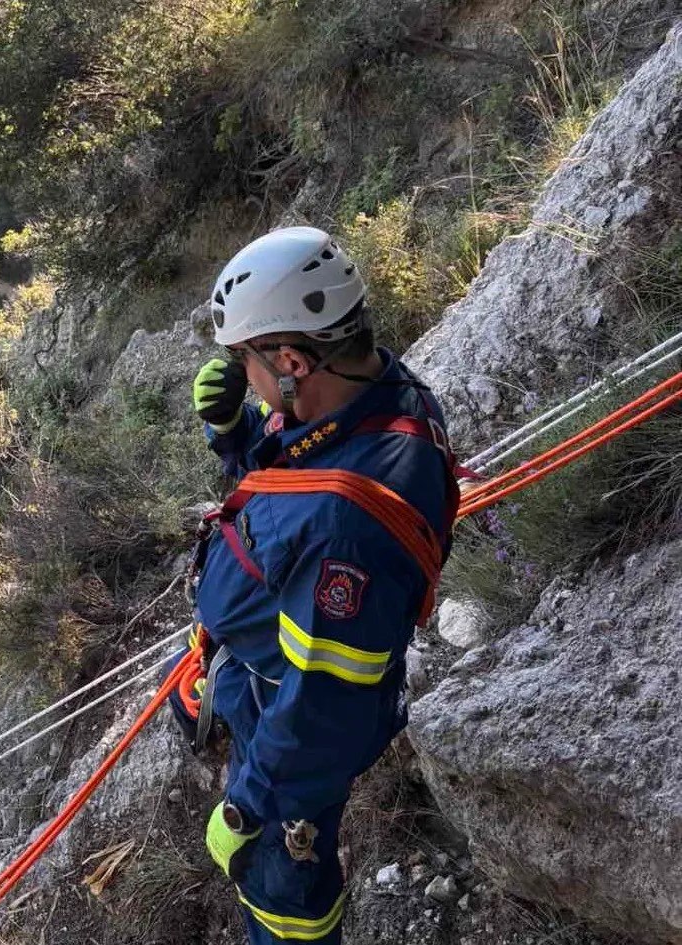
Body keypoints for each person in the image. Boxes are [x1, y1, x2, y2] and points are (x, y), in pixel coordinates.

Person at [173, 226, 456, 943]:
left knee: (282, 895)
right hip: (260, 667)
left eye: (250, 362)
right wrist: (234, 434)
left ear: (293, 358)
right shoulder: (374, 392)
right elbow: (287, 486)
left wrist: (249, 808)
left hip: (284, 731)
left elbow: (324, 698)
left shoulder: (343, 531)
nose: (249, 378)